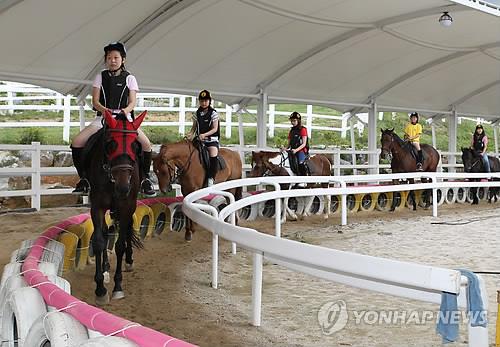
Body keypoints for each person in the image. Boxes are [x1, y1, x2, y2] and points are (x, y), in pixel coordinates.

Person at [70, 42, 156, 196]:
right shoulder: (99, 77)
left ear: (123, 60)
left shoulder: (130, 78)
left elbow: (132, 102)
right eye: (109, 58)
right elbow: (96, 101)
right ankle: (84, 179)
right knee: (77, 142)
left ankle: (145, 179)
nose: (112, 60)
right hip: (103, 118)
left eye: (116, 57)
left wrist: (125, 111)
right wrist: (105, 111)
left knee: (146, 144)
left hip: (124, 119)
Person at [188, 90, 220, 187]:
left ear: (209, 101)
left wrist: (204, 134)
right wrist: (190, 134)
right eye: (202, 101)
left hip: (211, 140)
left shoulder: (213, 113)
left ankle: (211, 177)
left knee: (213, 154)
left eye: (206, 101)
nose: (204, 103)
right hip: (199, 140)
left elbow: (215, 129)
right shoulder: (197, 113)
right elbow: (194, 127)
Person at [283, 111, 309, 176]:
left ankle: (304, 180)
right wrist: (284, 148)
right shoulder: (291, 131)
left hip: (301, 151)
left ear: (298, 121)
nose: (292, 122)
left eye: (294, 121)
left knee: (301, 163)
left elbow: (304, 144)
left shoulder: (303, 129)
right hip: (292, 151)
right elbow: (288, 145)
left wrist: (296, 150)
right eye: (291, 121)